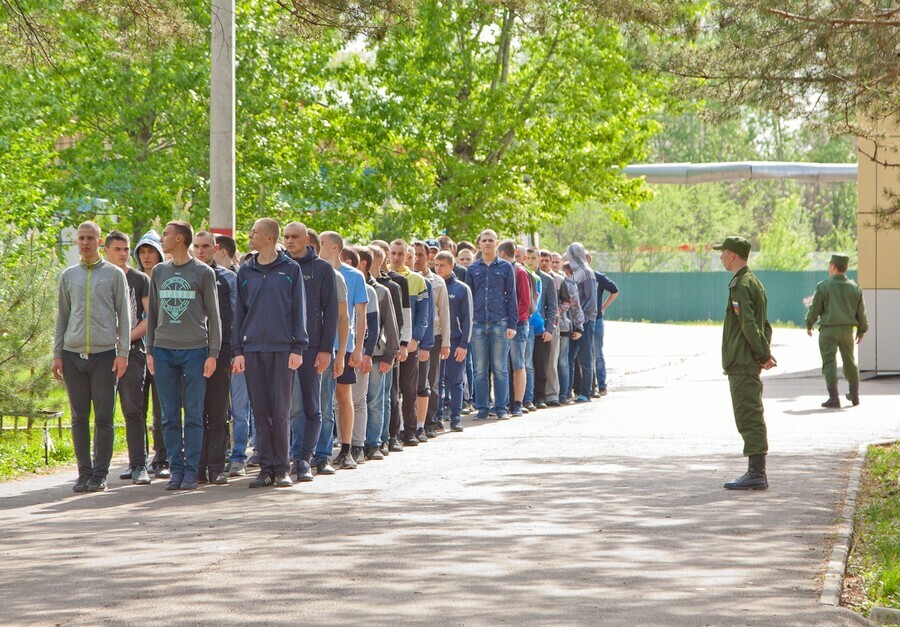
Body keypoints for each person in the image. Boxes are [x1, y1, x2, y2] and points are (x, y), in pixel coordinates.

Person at [53, 222, 131, 493]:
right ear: (77, 242)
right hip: (73, 354)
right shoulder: (69, 276)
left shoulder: (113, 275)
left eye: (90, 238)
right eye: (81, 238)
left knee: (104, 416)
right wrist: (57, 354)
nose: (85, 243)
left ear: (100, 243)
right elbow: (62, 316)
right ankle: (83, 472)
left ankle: (100, 474)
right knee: (78, 416)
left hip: (104, 355)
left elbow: (125, 315)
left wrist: (123, 354)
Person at [146, 221, 222, 491]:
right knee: (168, 415)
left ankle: (191, 471)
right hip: (164, 351)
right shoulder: (159, 271)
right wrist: (151, 350)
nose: (162, 239)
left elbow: (214, 315)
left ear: (179, 238)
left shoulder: (203, 272)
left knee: (193, 414)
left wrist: (213, 353)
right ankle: (175, 470)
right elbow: (152, 313)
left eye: (165, 234)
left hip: (195, 351)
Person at [233, 218, 308, 488]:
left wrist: (298, 346)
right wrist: (237, 350)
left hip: (282, 349)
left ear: (268, 237)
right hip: (252, 349)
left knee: (280, 410)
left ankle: (282, 468)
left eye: (254, 232)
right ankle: (266, 468)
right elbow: (239, 313)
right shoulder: (245, 271)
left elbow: (299, 310)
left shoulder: (290, 269)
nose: (249, 236)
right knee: (260, 410)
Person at [713, 236, 776, 491]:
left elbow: (749, 325)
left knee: (748, 414)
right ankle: (755, 471)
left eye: (723, 253)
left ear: (732, 255)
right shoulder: (755, 283)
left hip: (742, 361)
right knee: (750, 412)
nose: (721, 257)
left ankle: (756, 473)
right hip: (746, 359)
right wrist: (764, 352)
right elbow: (765, 325)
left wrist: (761, 355)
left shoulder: (740, 285)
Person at [284, 222, 338, 482]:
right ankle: (290, 457)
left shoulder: (323, 269)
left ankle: (307, 458)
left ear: (307, 239)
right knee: (289, 408)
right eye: (286, 237)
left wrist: (326, 349)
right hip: (281, 348)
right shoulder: (279, 267)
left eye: (295, 237)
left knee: (312, 406)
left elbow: (332, 313)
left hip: (313, 348)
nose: (290, 241)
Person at [103, 231, 152, 485]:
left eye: (126, 249)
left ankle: (139, 465)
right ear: (106, 251)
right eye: (118, 249)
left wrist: (126, 339)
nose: (123, 254)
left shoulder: (140, 279)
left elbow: (149, 318)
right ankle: (97, 470)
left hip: (133, 353)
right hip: (101, 354)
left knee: (133, 409)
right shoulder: (99, 278)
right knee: (103, 412)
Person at [316, 231, 367, 469]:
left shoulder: (354, 276)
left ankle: (347, 449)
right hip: (320, 344)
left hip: (343, 345)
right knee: (319, 399)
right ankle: (319, 449)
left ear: (335, 248)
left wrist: (357, 348)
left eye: (322, 244)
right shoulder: (316, 271)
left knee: (342, 396)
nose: (319, 247)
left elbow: (359, 315)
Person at [192, 231, 235, 485]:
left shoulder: (227, 278)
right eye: (196, 246)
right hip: (192, 352)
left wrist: (234, 352)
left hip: (221, 352)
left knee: (217, 412)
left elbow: (236, 317)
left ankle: (216, 467)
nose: (201, 251)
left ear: (216, 248)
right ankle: (196, 467)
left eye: (206, 246)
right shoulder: (187, 275)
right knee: (195, 412)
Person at [465, 230, 517, 421]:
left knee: (500, 368)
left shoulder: (505, 268)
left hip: (500, 323)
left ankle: (501, 408)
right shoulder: (472, 269)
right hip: (477, 324)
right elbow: (467, 299)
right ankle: (483, 408)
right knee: (479, 368)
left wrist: (512, 324)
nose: (487, 243)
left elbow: (511, 296)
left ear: (497, 244)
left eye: (490, 240)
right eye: (484, 240)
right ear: (479, 244)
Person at [805, 254, 868, 408]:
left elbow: (815, 308)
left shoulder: (824, 286)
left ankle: (834, 398)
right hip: (847, 331)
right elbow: (861, 313)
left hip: (828, 331)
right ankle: (854, 394)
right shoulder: (855, 287)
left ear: (833, 266)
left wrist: (809, 323)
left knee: (829, 362)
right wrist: (861, 331)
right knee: (849, 361)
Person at [134, 229, 169, 478]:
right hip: (136, 352)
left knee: (162, 407)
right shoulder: (132, 280)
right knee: (137, 406)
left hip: (160, 351)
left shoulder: (165, 278)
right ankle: (138, 460)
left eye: (151, 252)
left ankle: (162, 457)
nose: (147, 257)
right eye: (143, 252)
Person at [390, 238, 430, 446]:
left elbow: (424, 314)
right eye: (393, 253)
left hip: (410, 344)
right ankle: (393, 432)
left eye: (400, 254)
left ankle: (411, 430)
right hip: (390, 344)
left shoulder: (417, 280)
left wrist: (415, 338)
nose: (396, 257)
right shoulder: (384, 277)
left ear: (407, 256)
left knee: (410, 388)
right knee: (392, 391)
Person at [434, 251, 472, 431]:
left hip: (456, 341)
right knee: (437, 382)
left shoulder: (461, 289)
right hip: (437, 341)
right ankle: (438, 416)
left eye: (442, 265)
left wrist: (464, 345)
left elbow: (467, 319)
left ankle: (456, 418)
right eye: (436, 265)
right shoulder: (433, 286)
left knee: (456, 381)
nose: (438, 269)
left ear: (452, 266)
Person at [415, 241, 450, 439]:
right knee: (413, 383)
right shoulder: (408, 279)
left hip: (434, 335)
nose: (418, 259)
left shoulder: (437, 282)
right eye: (415, 254)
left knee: (432, 380)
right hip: (412, 336)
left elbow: (444, 311)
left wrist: (446, 342)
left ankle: (430, 421)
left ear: (428, 257)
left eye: (421, 255)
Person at [497, 239, 530, 417]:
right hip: (500, 324)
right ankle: (503, 402)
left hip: (518, 324)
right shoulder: (501, 270)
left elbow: (524, 301)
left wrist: (512, 320)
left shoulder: (519, 271)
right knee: (502, 365)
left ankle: (518, 402)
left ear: (502, 253)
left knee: (518, 363)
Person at [566, 243, 597, 403]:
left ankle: (587, 391)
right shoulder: (575, 273)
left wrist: (581, 322)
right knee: (571, 357)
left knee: (585, 357)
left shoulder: (587, 273)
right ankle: (571, 390)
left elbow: (591, 302)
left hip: (585, 322)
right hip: (575, 323)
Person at [587, 252, 619, 397]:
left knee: (597, 353)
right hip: (582, 321)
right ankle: (588, 386)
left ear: (588, 260)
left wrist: (604, 306)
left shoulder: (598, 277)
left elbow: (614, 290)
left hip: (597, 320)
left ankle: (601, 385)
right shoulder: (577, 277)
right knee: (585, 355)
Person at [529, 248, 558, 409]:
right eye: (529, 257)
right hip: (524, 327)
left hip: (541, 329)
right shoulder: (521, 275)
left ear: (539, 259)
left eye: (534, 257)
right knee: (525, 365)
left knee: (541, 364)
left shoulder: (546, 279)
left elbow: (552, 306)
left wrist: (549, 329)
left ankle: (539, 397)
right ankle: (526, 396)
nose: (531, 261)